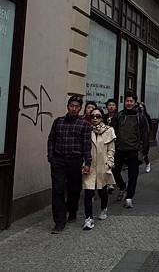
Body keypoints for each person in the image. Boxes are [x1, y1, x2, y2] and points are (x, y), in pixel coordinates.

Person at [47, 95, 92, 234]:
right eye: (72, 106)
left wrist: (87, 162)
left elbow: (86, 145)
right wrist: (51, 156)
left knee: (74, 189)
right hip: (58, 160)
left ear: (80, 108)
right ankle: (59, 222)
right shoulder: (58, 122)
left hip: (75, 160)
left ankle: (72, 211)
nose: (74, 108)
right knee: (58, 190)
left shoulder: (84, 124)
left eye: (77, 106)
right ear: (68, 106)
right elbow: (51, 139)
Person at [112, 92, 149, 208]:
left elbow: (145, 135)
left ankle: (129, 197)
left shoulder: (140, 117)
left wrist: (144, 151)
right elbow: (112, 131)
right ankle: (122, 187)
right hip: (119, 148)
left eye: (131, 101)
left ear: (134, 102)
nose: (128, 103)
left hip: (134, 149)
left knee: (133, 175)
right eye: (127, 101)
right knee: (115, 170)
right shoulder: (119, 115)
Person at [82, 108, 116, 230]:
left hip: (103, 165)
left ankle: (103, 208)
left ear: (102, 117)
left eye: (98, 116)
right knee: (88, 191)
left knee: (102, 190)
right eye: (93, 116)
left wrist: (109, 163)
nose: (95, 118)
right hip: (89, 165)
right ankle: (89, 218)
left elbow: (111, 149)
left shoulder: (109, 131)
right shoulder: (86, 130)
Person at [138, 102, 152, 173]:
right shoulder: (137, 116)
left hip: (145, 137)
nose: (141, 109)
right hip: (138, 136)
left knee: (144, 153)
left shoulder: (146, 116)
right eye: (140, 108)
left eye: (142, 107)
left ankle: (147, 164)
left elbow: (150, 126)